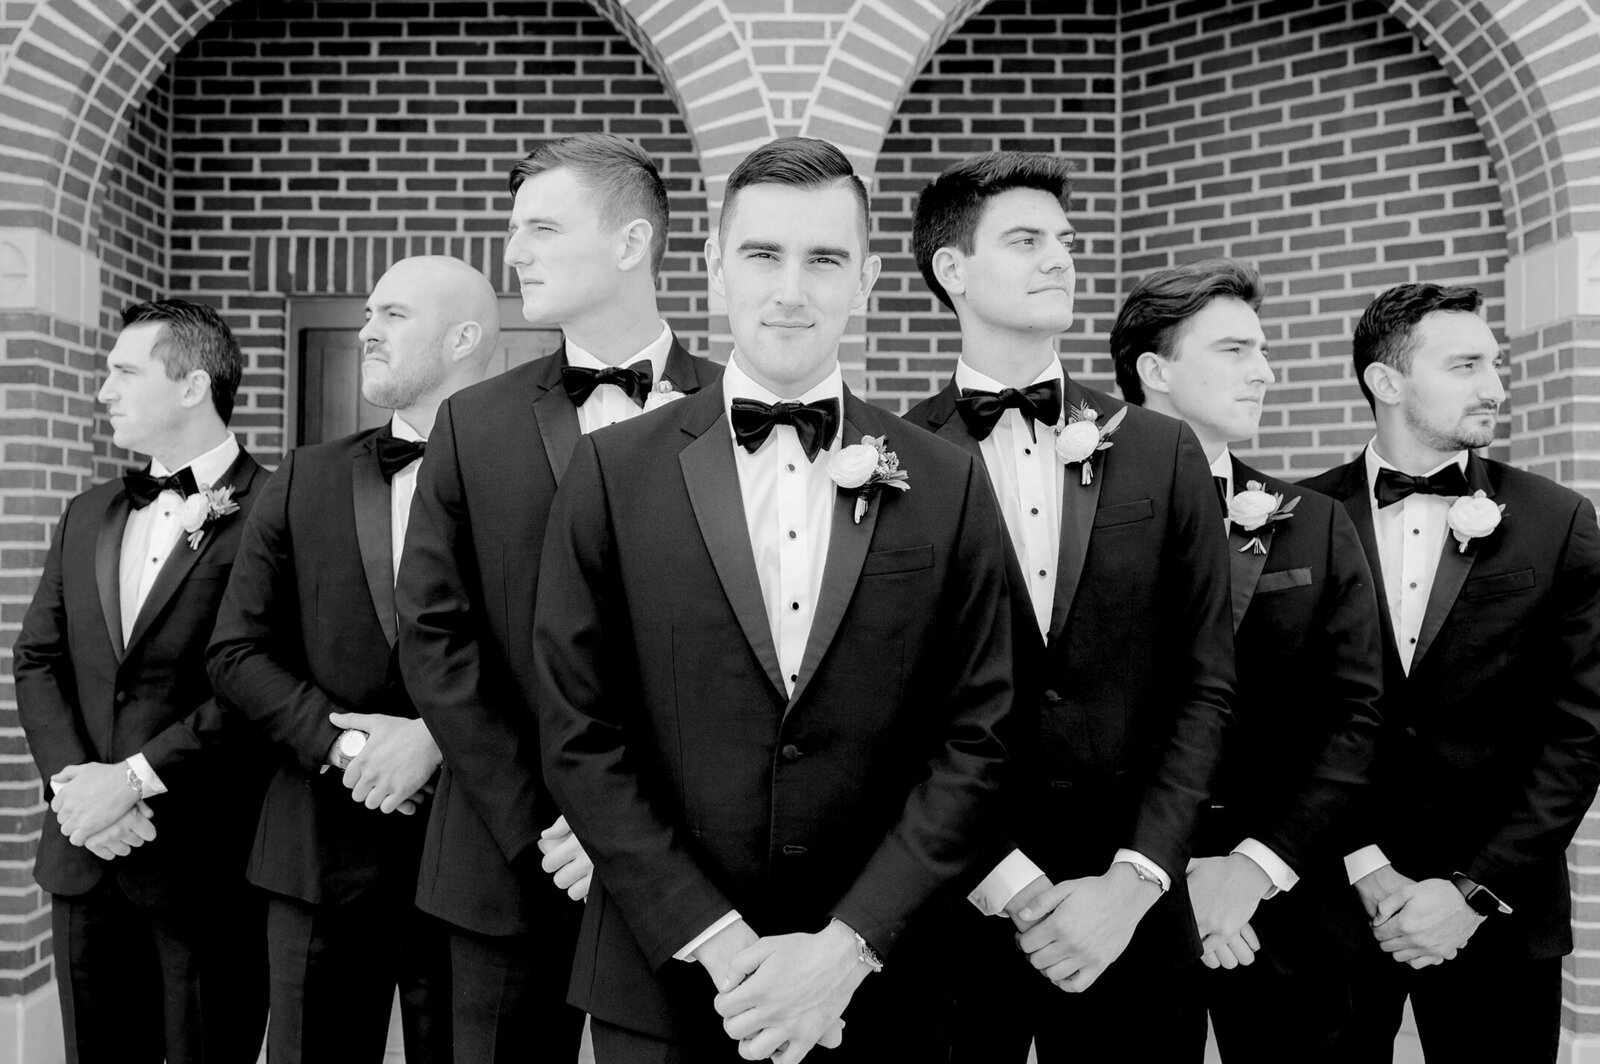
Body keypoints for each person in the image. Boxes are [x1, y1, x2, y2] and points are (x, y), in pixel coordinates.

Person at [535, 136, 1016, 1063]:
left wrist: (847, 948)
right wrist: (721, 946)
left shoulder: (948, 481)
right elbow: (579, 732)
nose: (791, 289)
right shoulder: (611, 473)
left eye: (825, 259)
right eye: (763, 254)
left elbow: (980, 735)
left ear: (867, 280)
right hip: (664, 978)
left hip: (885, 982)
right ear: (715, 267)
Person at [902, 151, 1235, 1059]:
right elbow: (885, 702)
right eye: (1026, 239)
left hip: (1134, 906)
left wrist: (1134, 880)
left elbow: (1204, 685)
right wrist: (1003, 878)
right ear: (953, 270)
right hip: (952, 903)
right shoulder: (891, 459)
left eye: (1066, 240)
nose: (1061, 258)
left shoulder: (1162, 452)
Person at [395, 134, 720, 1062]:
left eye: (541, 227)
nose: (515, 253)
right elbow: (436, 636)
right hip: (509, 855)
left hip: (688, 861)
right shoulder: (473, 424)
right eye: (513, 231)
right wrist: (546, 817)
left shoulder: (740, 411)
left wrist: (629, 828)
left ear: (632, 243)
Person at [207, 256, 498, 1062]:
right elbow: (235, 652)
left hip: (475, 856)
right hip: (317, 857)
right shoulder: (306, 477)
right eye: (367, 313)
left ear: (464, 336)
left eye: (394, 315)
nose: (368, 330)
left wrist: (437, 739)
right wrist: (347, 746)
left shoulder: (543, 478)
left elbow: (560, 654)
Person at [1301, 283, 1600, 1062]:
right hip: (1330, 904)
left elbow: (1582, 731)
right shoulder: (1300, 518)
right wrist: (1363, 862)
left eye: (1493, 365)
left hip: (1500, 916)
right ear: (1387, 382)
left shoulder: (1557, 521)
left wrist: (1474, 892)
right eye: (1466, 366)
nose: (1496, 388)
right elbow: (1285, 713)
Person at [1113, 258, 1384, 1061]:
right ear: (1155, 370)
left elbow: (1355, 718)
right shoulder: (1080, 521)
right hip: (1121, 907)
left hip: (1287, 908)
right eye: (1235, 351)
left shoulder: (1317, 523)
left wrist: (1249, 871)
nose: (1264, 372)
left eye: (1262, 351)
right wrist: (1158, 874)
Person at [14, 299, 270, 1063]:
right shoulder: (86, 513)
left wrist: (134, 780)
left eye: (124, 372)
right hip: (84, 854)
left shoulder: (278, 510)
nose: (104, 392)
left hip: (207, 864)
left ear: (192, 386)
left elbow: (260, 681)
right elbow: (38, 661)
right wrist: (80, 790)